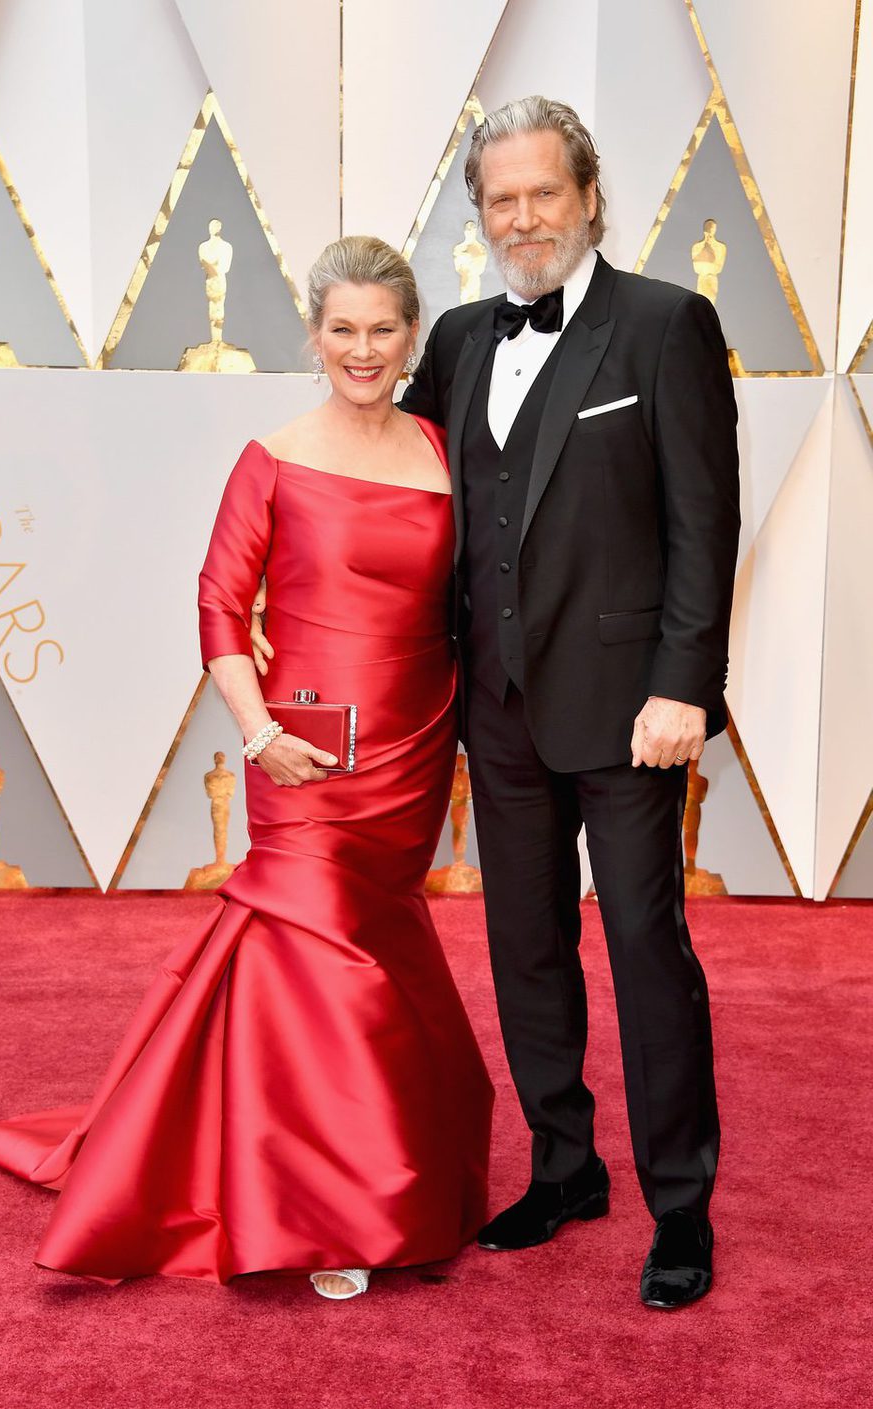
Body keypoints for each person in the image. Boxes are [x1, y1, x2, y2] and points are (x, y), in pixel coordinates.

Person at [0, 235, 493, 1302]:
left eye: (383, 330)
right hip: (302, 747)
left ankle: (377, 1163)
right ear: (314, 334)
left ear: (411, 335)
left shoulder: (441, 449)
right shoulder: (271, 456)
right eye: (343, 329)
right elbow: (217, 604)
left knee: (381, 947)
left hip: (416, 748)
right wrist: (256, 731)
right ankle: (337, 1204)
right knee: (328, 963)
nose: (362, 349)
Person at [399, 96, 740, 1308]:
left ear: (589, 194)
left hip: (629, 709)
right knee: (524, 946)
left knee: (650, 950)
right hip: (493, 706)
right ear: (480, 214)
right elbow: (415, 502)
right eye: (502, 199)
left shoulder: (665, 325)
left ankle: (681, 1205)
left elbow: (705, 523)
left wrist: (683, 685)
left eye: (545, 192)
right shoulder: (454, 339)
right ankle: (563, 1165)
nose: (524, 217)